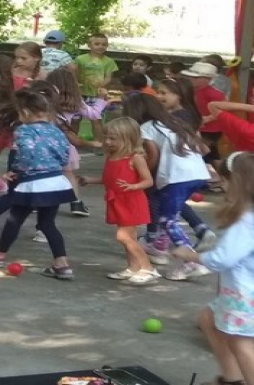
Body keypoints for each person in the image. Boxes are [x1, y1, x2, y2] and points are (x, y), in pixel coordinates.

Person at [0, 87, 77, 280]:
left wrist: (16, 170)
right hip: (55, 182)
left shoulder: (24, 130)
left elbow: (26, 153)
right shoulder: (56, 131)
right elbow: (65, 156)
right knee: (47, 224)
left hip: (32, 184)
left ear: (26, 112)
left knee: (15, 219)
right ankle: (62, 265)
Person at [171, 152, 254, 385]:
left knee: (240, 342)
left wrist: (190, 254)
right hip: (241, 292)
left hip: (244, 294)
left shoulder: (245, 222)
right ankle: (232, 378)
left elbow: (222, 259)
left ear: (238, 183)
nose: (221, 184)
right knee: (209, 319)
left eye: (225, 180)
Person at [123, 93, 211, 281]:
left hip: (176, 176)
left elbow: (152, 155)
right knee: (169, 212)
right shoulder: (174, 123)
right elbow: (203, 148)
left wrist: (145, 175)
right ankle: (159, 245)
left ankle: (192, 262)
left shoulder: (147, 127)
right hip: (198, 173)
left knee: (167, 220)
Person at [79, 117, 158, 284]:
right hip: (117, 202)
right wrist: (90, 180)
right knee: (130, 239)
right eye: (106, 137)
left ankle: (148, 268)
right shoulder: (112, 156)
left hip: (131, 202)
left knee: (123, 236)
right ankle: (133, 267)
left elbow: (148, 181)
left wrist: (133, 186)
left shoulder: (135, 158)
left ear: (129, 138)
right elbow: (110, 179)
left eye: (113, 138)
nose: (107, 141)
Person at [44, 69, 105, 217]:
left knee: (42, 172)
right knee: (68, 174)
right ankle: (76, 202)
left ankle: (37, 200)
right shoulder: (75, 102)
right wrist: (101, 99)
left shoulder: (44, 99)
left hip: (43, 142)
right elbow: (94, 114)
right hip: (64, 143)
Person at [75, 33, 118, 145]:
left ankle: (98, 144)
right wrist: (76, 85)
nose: (100, 46)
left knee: (96, 120)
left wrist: (100, 86)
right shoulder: (80, 59)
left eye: (104, 44)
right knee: (75, 119)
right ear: (89, 45)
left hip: (98, 96)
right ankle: (72, 143)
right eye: (97, 44)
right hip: (80, 94)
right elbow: (76, 74)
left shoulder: (109, 61)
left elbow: (108, 78)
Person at [183, 62, 225, 169]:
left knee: (209, 152)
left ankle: (216, 170)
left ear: (208, 79)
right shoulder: (191, 90)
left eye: (195, 78)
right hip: (197, 126)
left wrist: (207, 119)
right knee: (201, 151)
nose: (191, 79)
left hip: (211, 129)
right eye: (190, 77)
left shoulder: (214, 93)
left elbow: (223, 110)